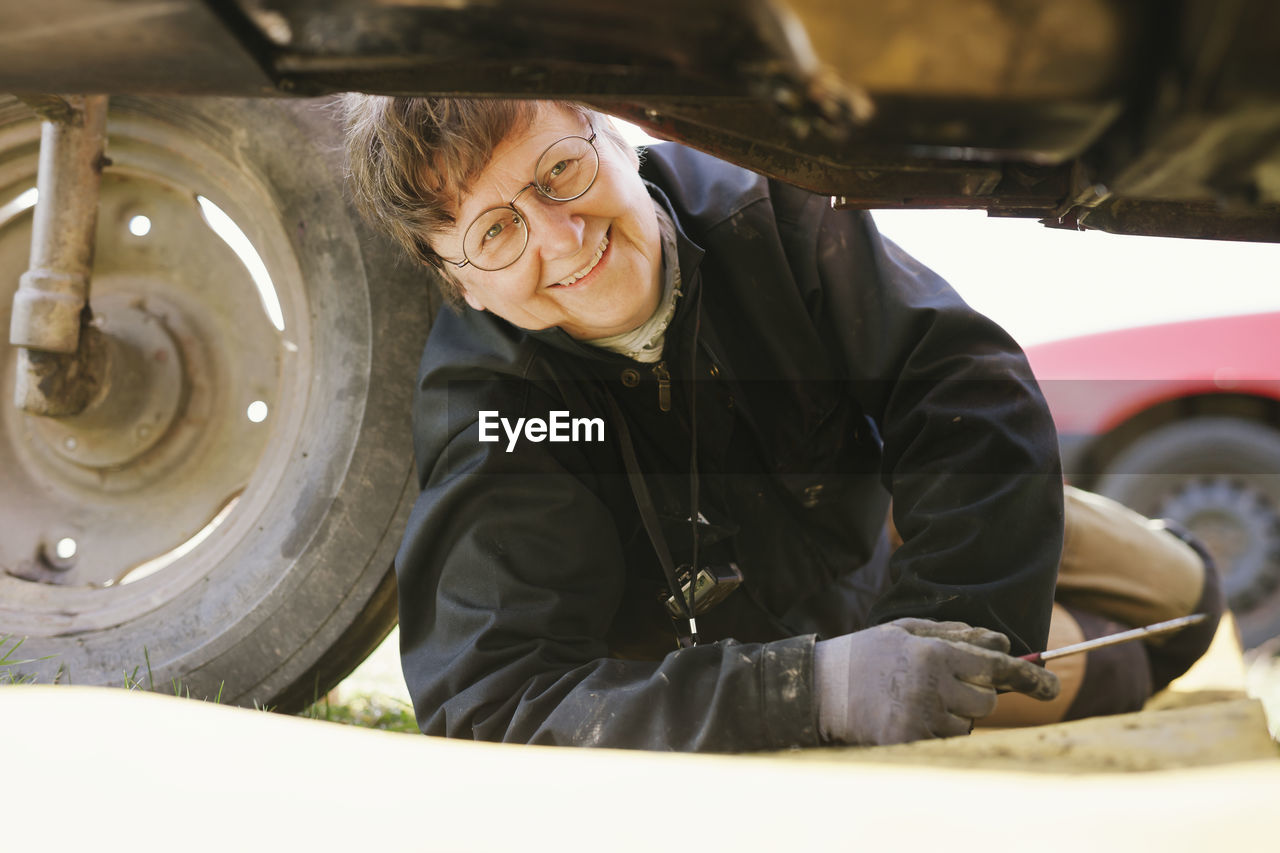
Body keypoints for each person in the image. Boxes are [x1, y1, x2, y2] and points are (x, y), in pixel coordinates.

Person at [342, 96, 1223, 751]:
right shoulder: (502, 411)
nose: (563, 239)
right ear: (458, 279)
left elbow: (960, 384)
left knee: (1190, 598)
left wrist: (949, 617)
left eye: (561, 171)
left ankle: (1082, 557)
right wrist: (818, 692)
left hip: (884, 521)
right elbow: (496, 699)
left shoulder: (768, 213)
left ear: (613, 135)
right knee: (1137, 659)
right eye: (498, 231)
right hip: (764, 667)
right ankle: (1098, 651)